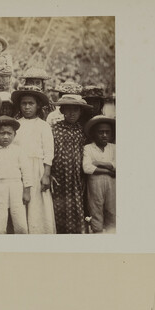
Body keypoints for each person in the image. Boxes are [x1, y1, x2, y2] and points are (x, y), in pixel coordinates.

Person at [12, 85, 56, 234]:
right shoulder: (15, 125)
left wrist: (46, 174)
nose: (27, 107)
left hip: (37, 168)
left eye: (31, 103)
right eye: (24, 103)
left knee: (38, 204)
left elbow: (49, 151)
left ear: (38, 106)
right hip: (19, 169)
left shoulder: (43, 126)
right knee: (21, 201)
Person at [0, 116, 32, 234]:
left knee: (20, 220)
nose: (5, 136)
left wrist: (27, 192)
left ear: (14, 135)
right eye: (2, 133)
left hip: (16, 187)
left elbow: (26, 172)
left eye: (9, 133)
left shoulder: (19, 151)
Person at [51, 94, 91, 234]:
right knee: (59, 205)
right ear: (61, 111)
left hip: (76, 177)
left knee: (77, 203)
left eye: (75, 110)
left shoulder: (82, 131)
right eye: (68, 109)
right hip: (59, 176)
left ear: (80, 112)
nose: (72, 113)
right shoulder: (54, 129)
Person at [82, 116, 116, 233]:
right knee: (96, 209)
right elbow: (87, 167)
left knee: (112, 210)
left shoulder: (114, 148)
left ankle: (112, 233)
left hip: (112, 184)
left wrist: (99, 163)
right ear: (93, 134)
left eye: (107, 132)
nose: (104, 135)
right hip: (95, 184)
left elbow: (117, 165)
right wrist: (108, 170)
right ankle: (98, 235)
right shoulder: (88, 148)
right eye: (101, 132)